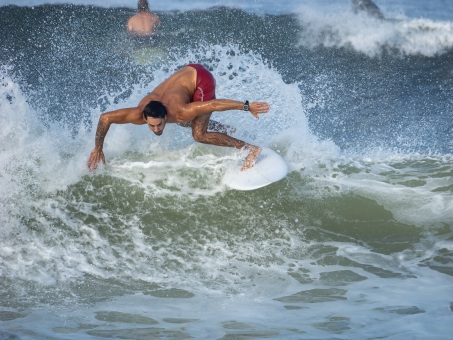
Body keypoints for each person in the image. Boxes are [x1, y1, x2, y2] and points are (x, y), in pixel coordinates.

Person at [87, 64, 270, 172]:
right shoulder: (137, 113)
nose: (156, 129)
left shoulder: (181, 111)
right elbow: (105, 118)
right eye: (151, 126)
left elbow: (213, 105)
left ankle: (251, 149)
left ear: (165, 116)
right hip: (186, 73)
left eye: (159, 125)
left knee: (199, 134)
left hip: (200, 80)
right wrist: (98, 148)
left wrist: (247, 106)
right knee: (188, 124)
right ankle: (225, 130)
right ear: (143, 118)